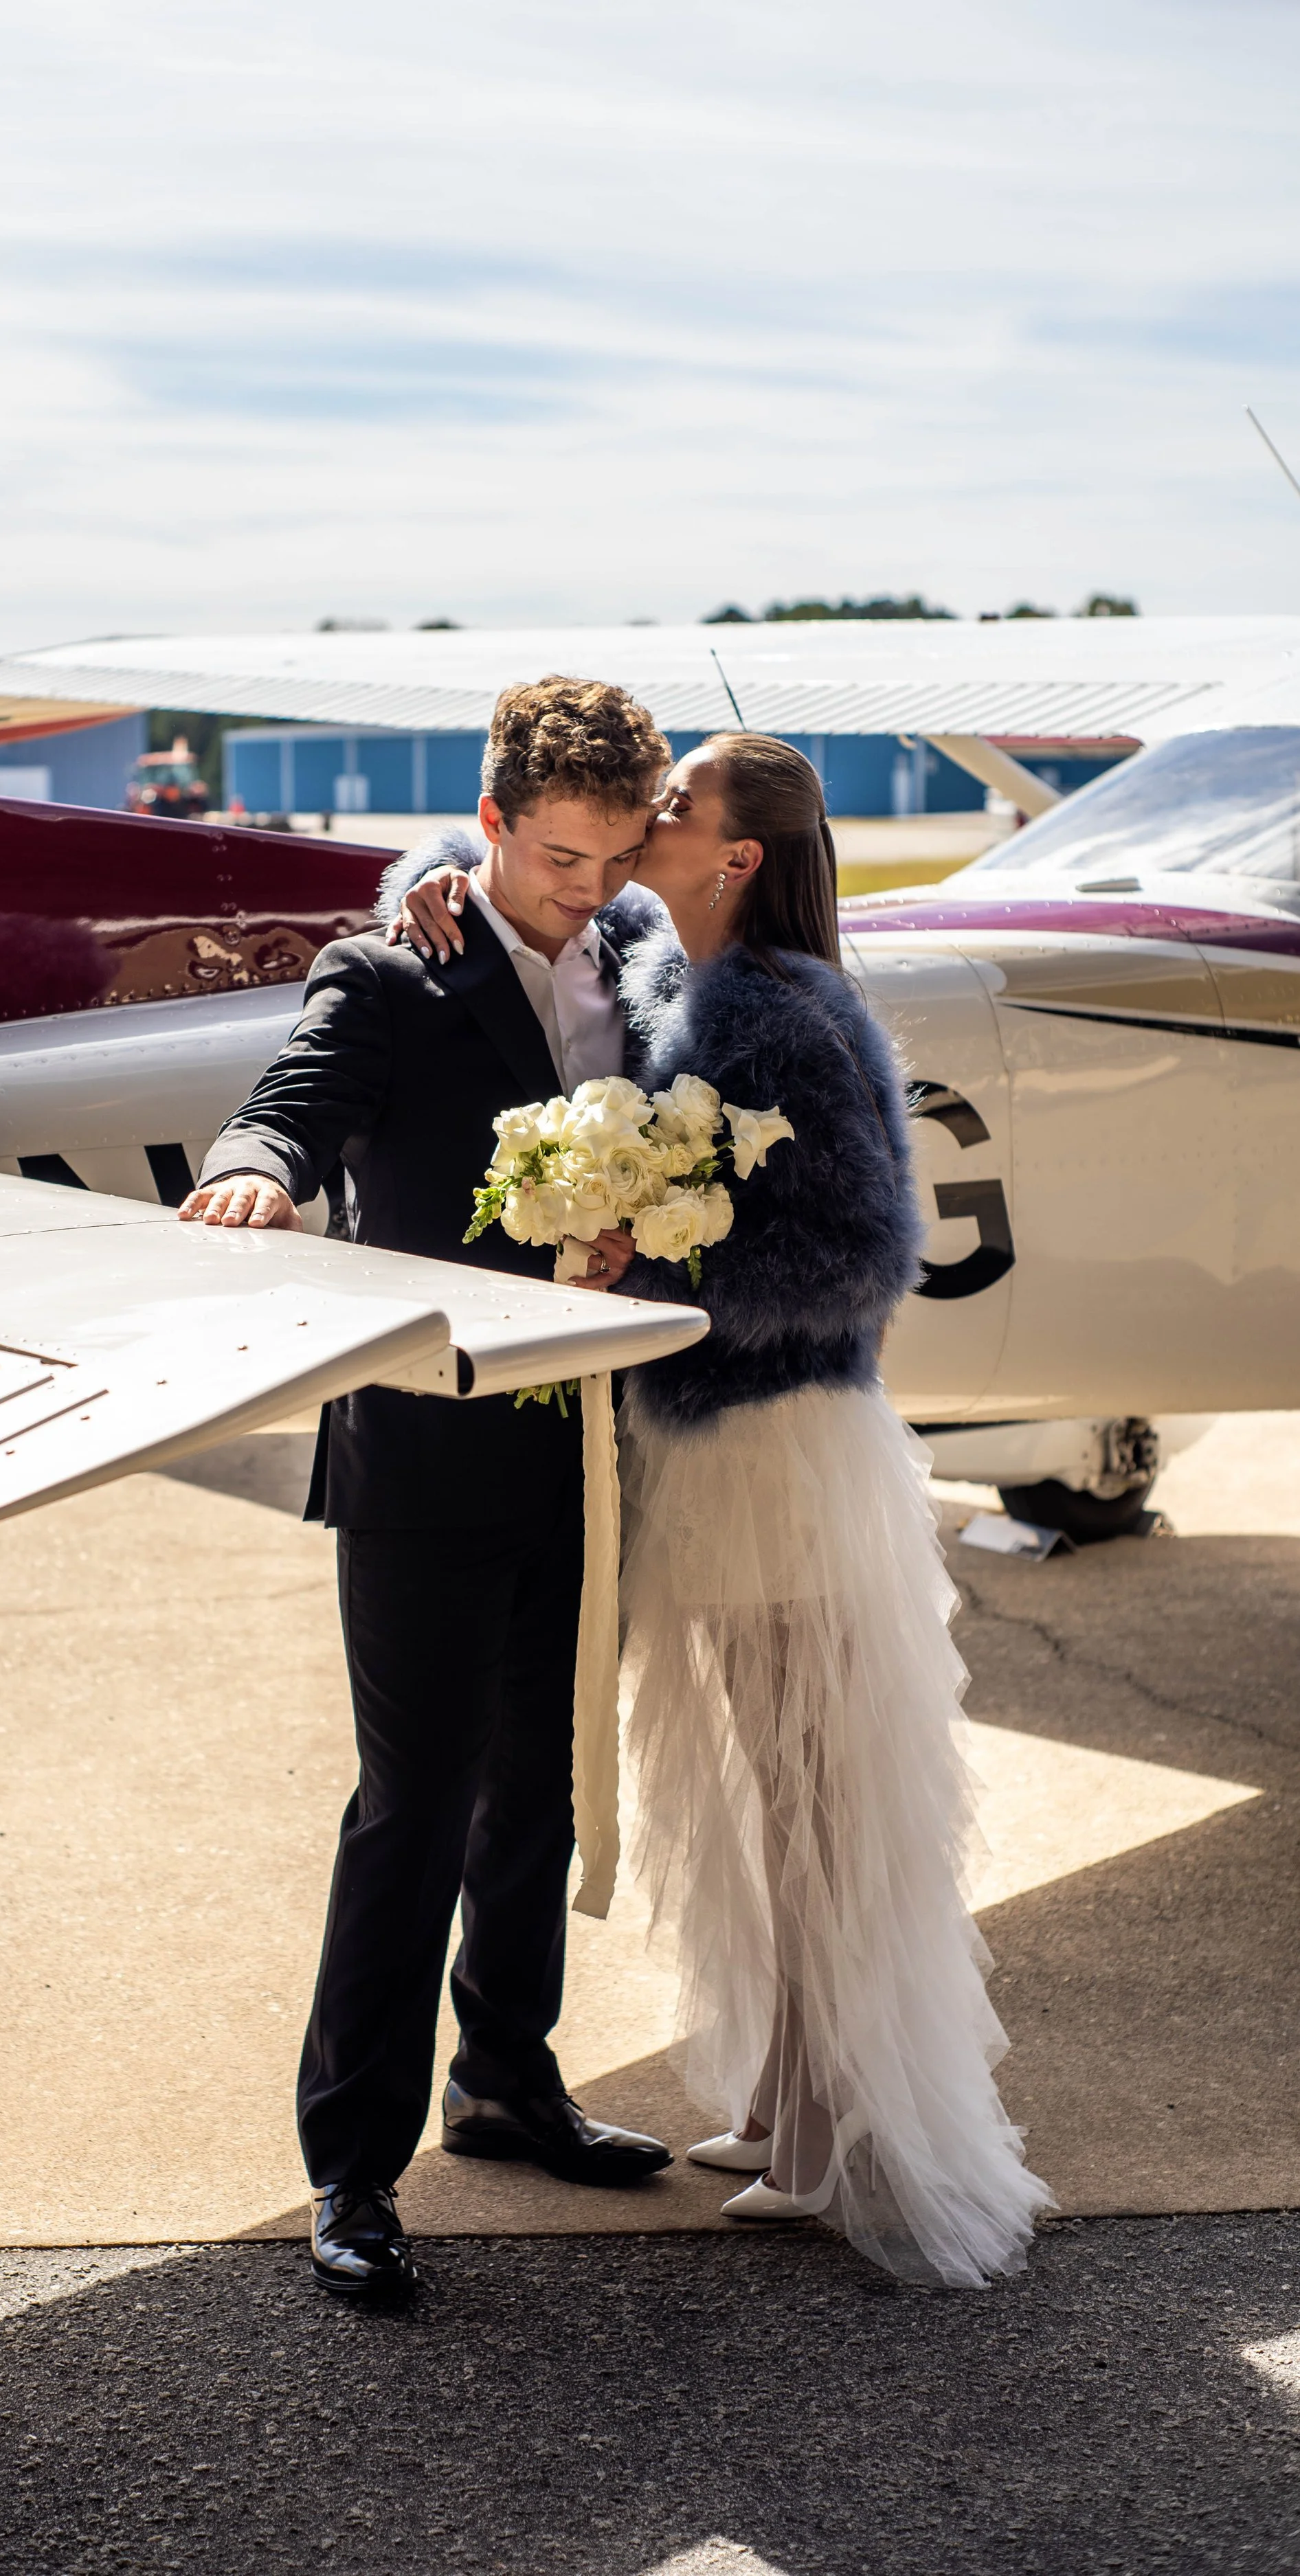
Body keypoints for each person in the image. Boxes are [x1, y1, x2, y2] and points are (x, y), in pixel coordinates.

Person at [394, 732, 1053, 2286]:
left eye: (673, 807)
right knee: (768, 1800)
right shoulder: (655, 953)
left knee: (813, 1805)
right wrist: (424, 877)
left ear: (738, 854)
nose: (645, 821)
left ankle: (841, 2135)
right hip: (705, 1448)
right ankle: (784, 2093)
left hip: (781, 1450)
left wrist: (662, 1257)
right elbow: (504, 875)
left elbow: (854, 1258)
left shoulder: (782, 1011)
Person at [179, 677, 677, 2299]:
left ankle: (507, 2080)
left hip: (580, 1449)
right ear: (485, 824)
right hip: (422, 1449)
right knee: (414, 1804)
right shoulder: (401, 963)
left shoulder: (633, 959)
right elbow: (295, 1099)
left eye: (611, 858)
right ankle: (351, 2169)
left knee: (538, 1784)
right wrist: (255, 1168)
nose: (583, 890)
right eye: (554, 857)